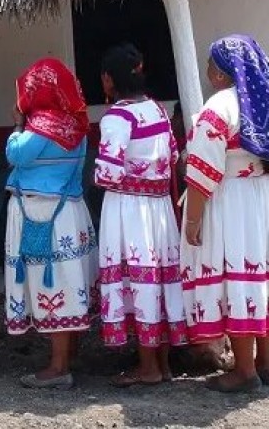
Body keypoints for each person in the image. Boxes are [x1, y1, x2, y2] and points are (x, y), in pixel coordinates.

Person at [180, 34, 269, 393]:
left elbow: (203, 171)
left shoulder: (218, 107)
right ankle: (264, 363)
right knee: (259, 280)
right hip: (260, 199)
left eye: (210, 63)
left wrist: (192, 218)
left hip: (228, 200)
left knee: (235, 281)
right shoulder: (262, 104)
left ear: (221, 72)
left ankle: (244, 372)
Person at [95, 44, 187, 387]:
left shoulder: (117, 117)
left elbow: (107, 173)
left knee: (138, 280)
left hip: (128, 209)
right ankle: (160, 363)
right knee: (157, 281)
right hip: (159, 208)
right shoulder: (158, 110)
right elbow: (173, 155)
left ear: (108, 79)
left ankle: (147, 367)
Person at [5, 58, 97, 390]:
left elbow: (15, 155)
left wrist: (17, 126)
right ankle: (68, 353)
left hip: (40, 213)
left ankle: (58, 368)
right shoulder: (78, 124)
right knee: (68, 283)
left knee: (51, 286)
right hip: (69, 212)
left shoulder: (39, 127)